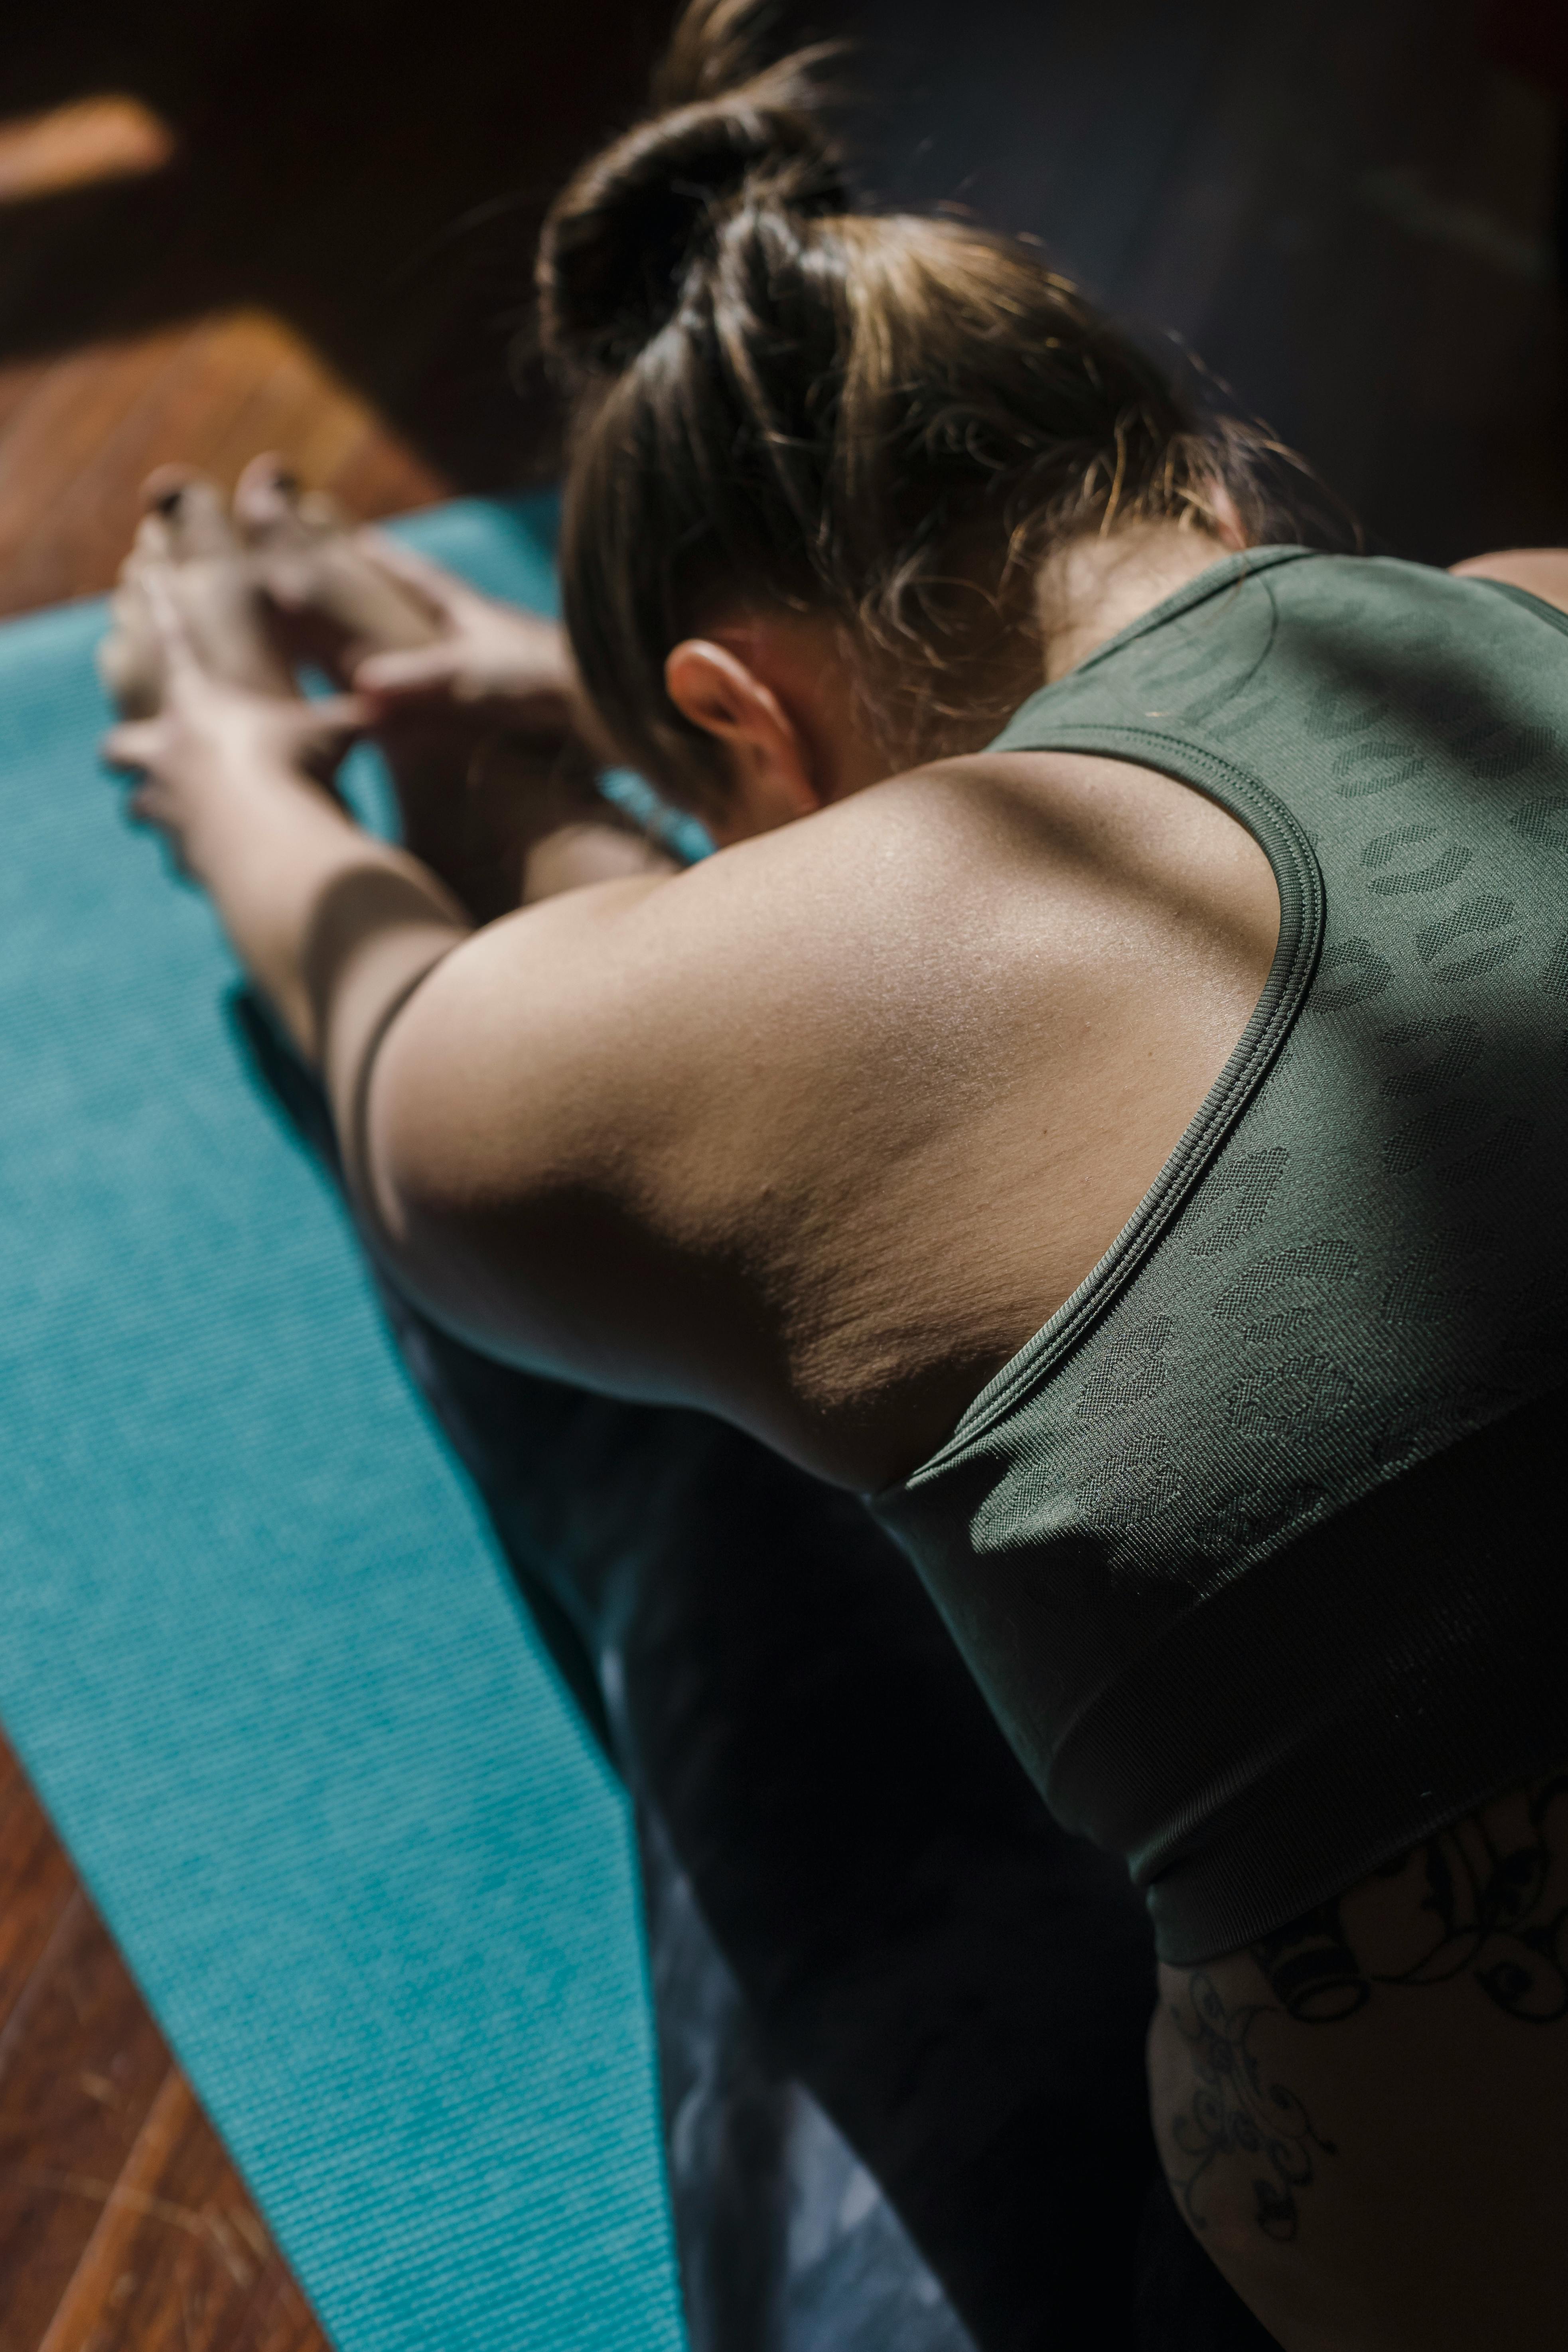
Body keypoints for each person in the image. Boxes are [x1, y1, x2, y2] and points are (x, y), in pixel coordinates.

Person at [100, 1, 1568, 2343]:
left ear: (737, 722)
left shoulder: (811, 1001)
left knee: (721, 1481)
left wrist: (234, 764)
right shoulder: (1525, 612)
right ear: (1209, 484)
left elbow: (396, 1048)